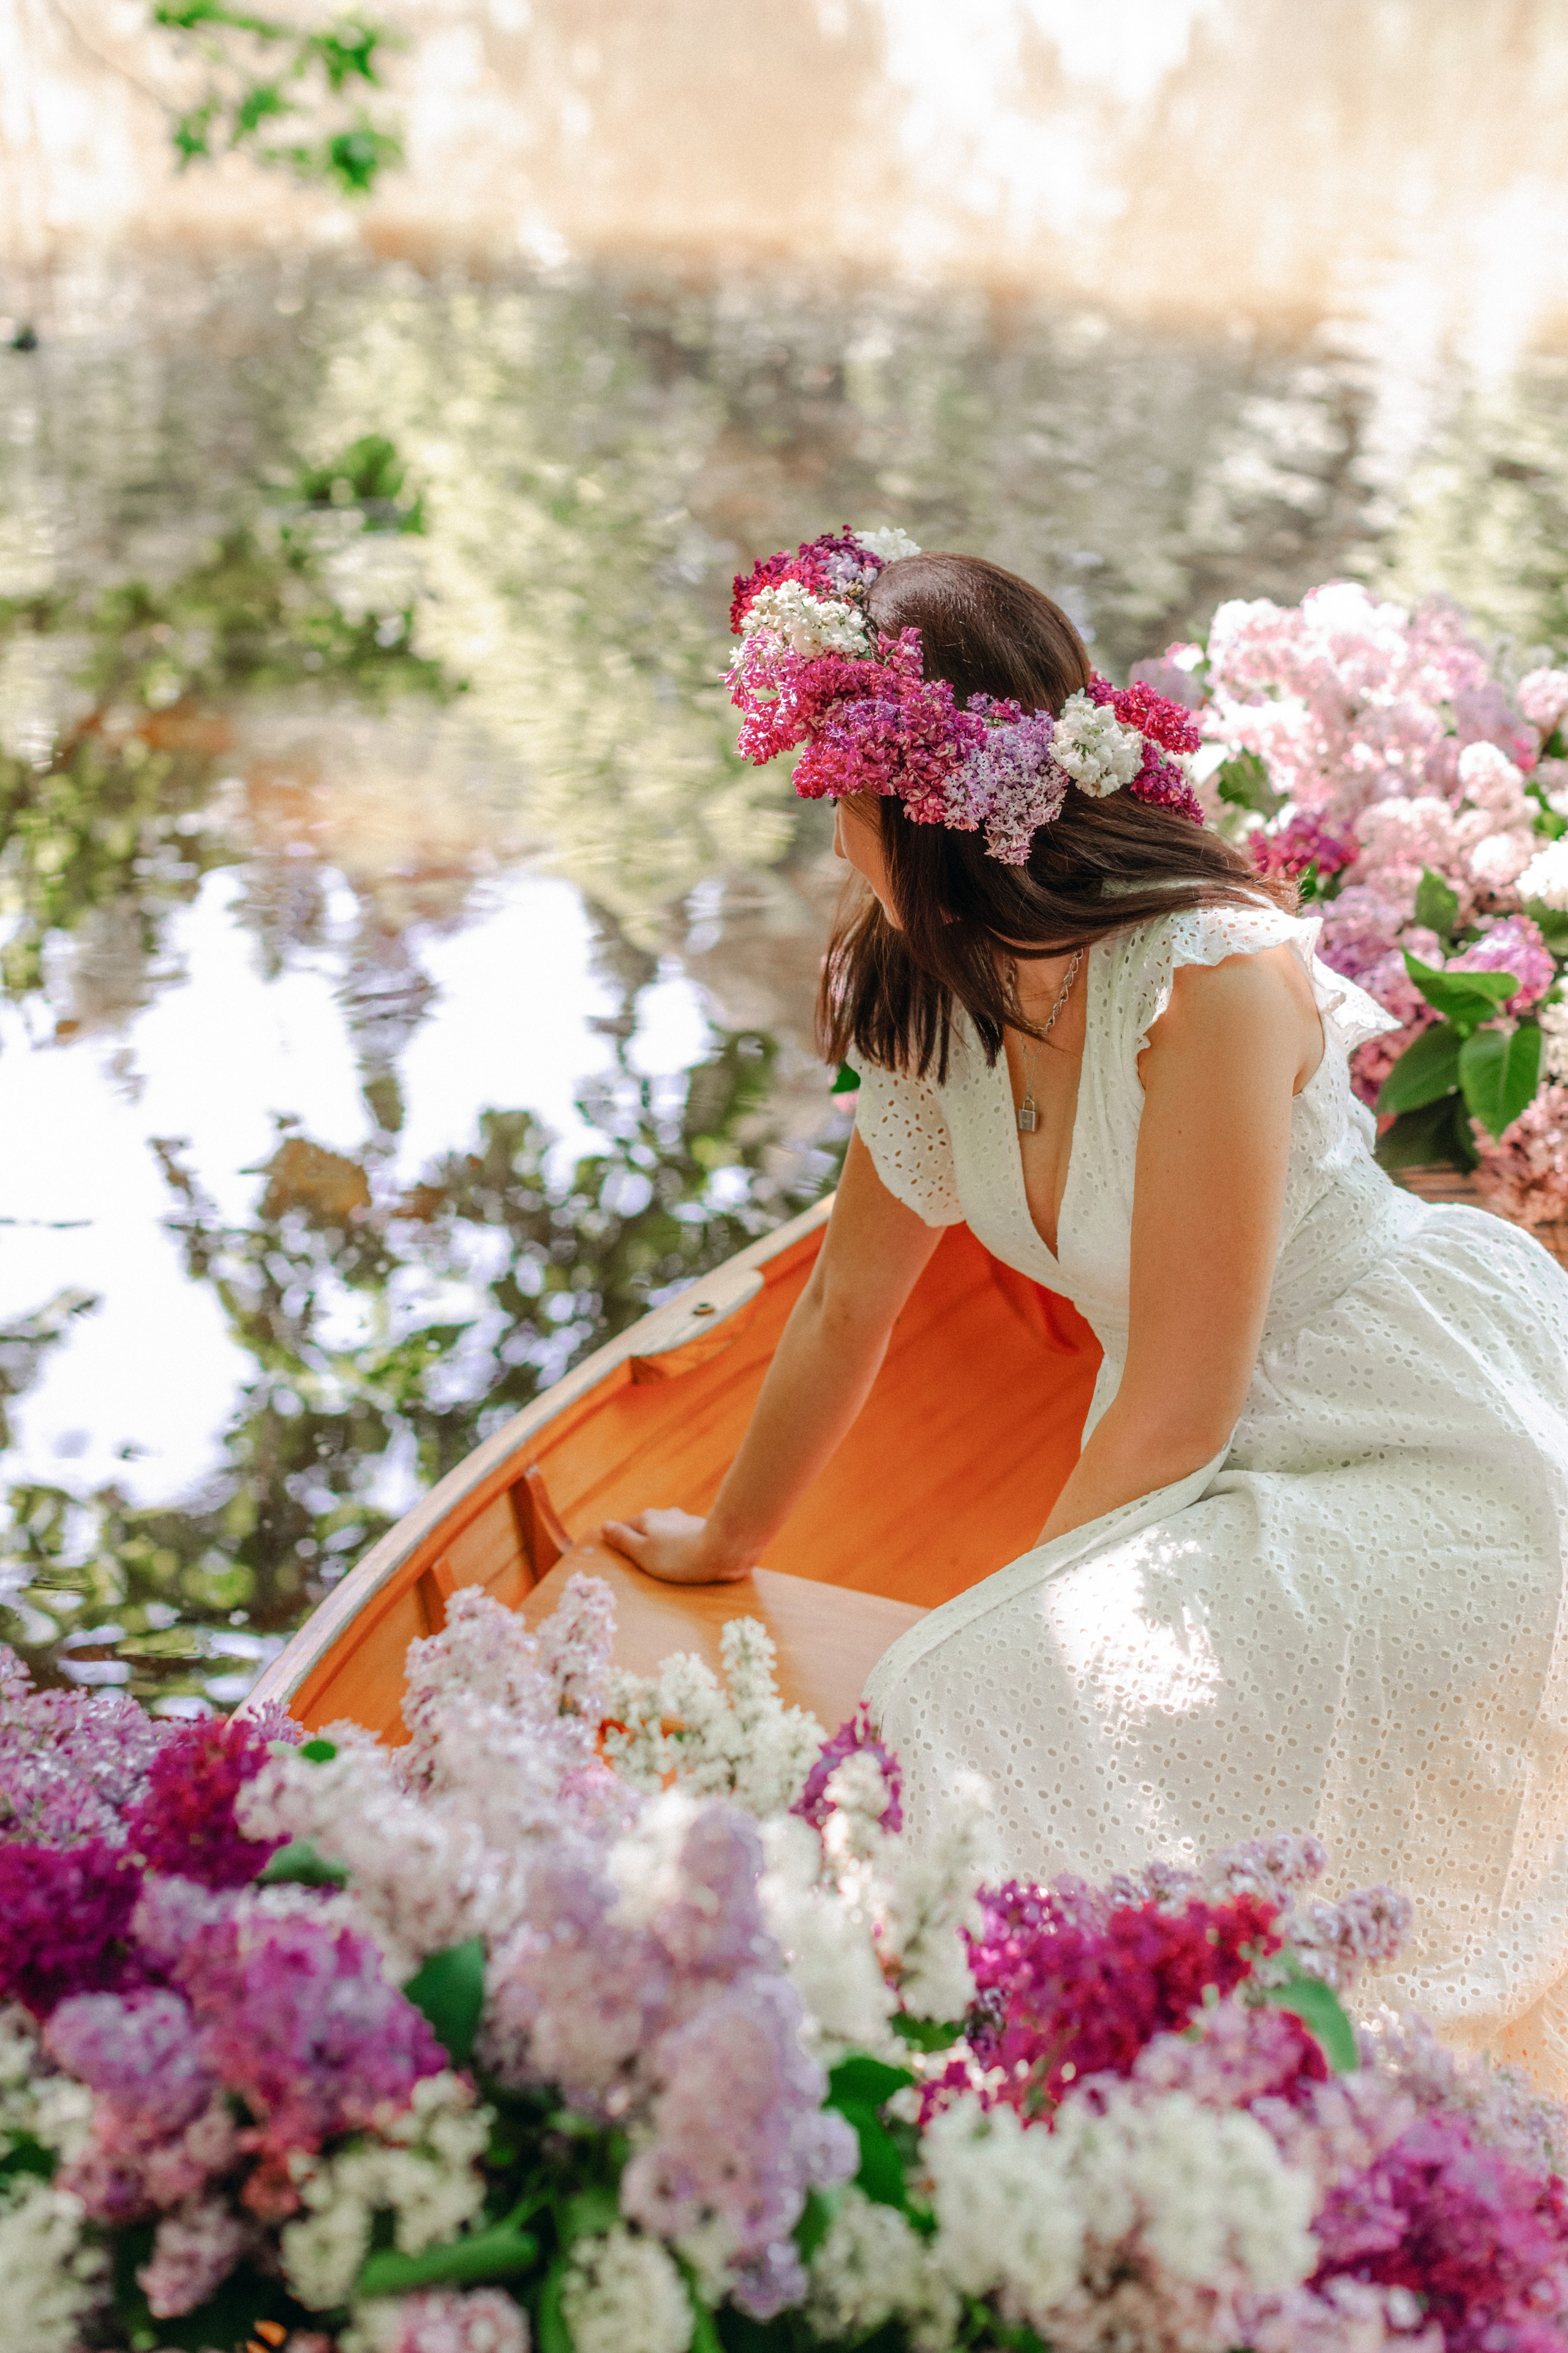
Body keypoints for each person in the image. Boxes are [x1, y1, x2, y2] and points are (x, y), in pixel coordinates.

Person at [605, 531, 1568, 2091]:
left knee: (955, 1691)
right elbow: (844, 1302)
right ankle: (1033, 2059)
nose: (825, 829)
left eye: (840, 791)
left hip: (1425, 1447)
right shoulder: (920, 981)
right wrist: (728, 1541)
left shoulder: (1206, 982)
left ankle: (1117, 2073)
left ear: (929, 805)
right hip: (1207, 1457)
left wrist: (1004, 1632)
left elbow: (1174, 1407)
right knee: (973, 1704)